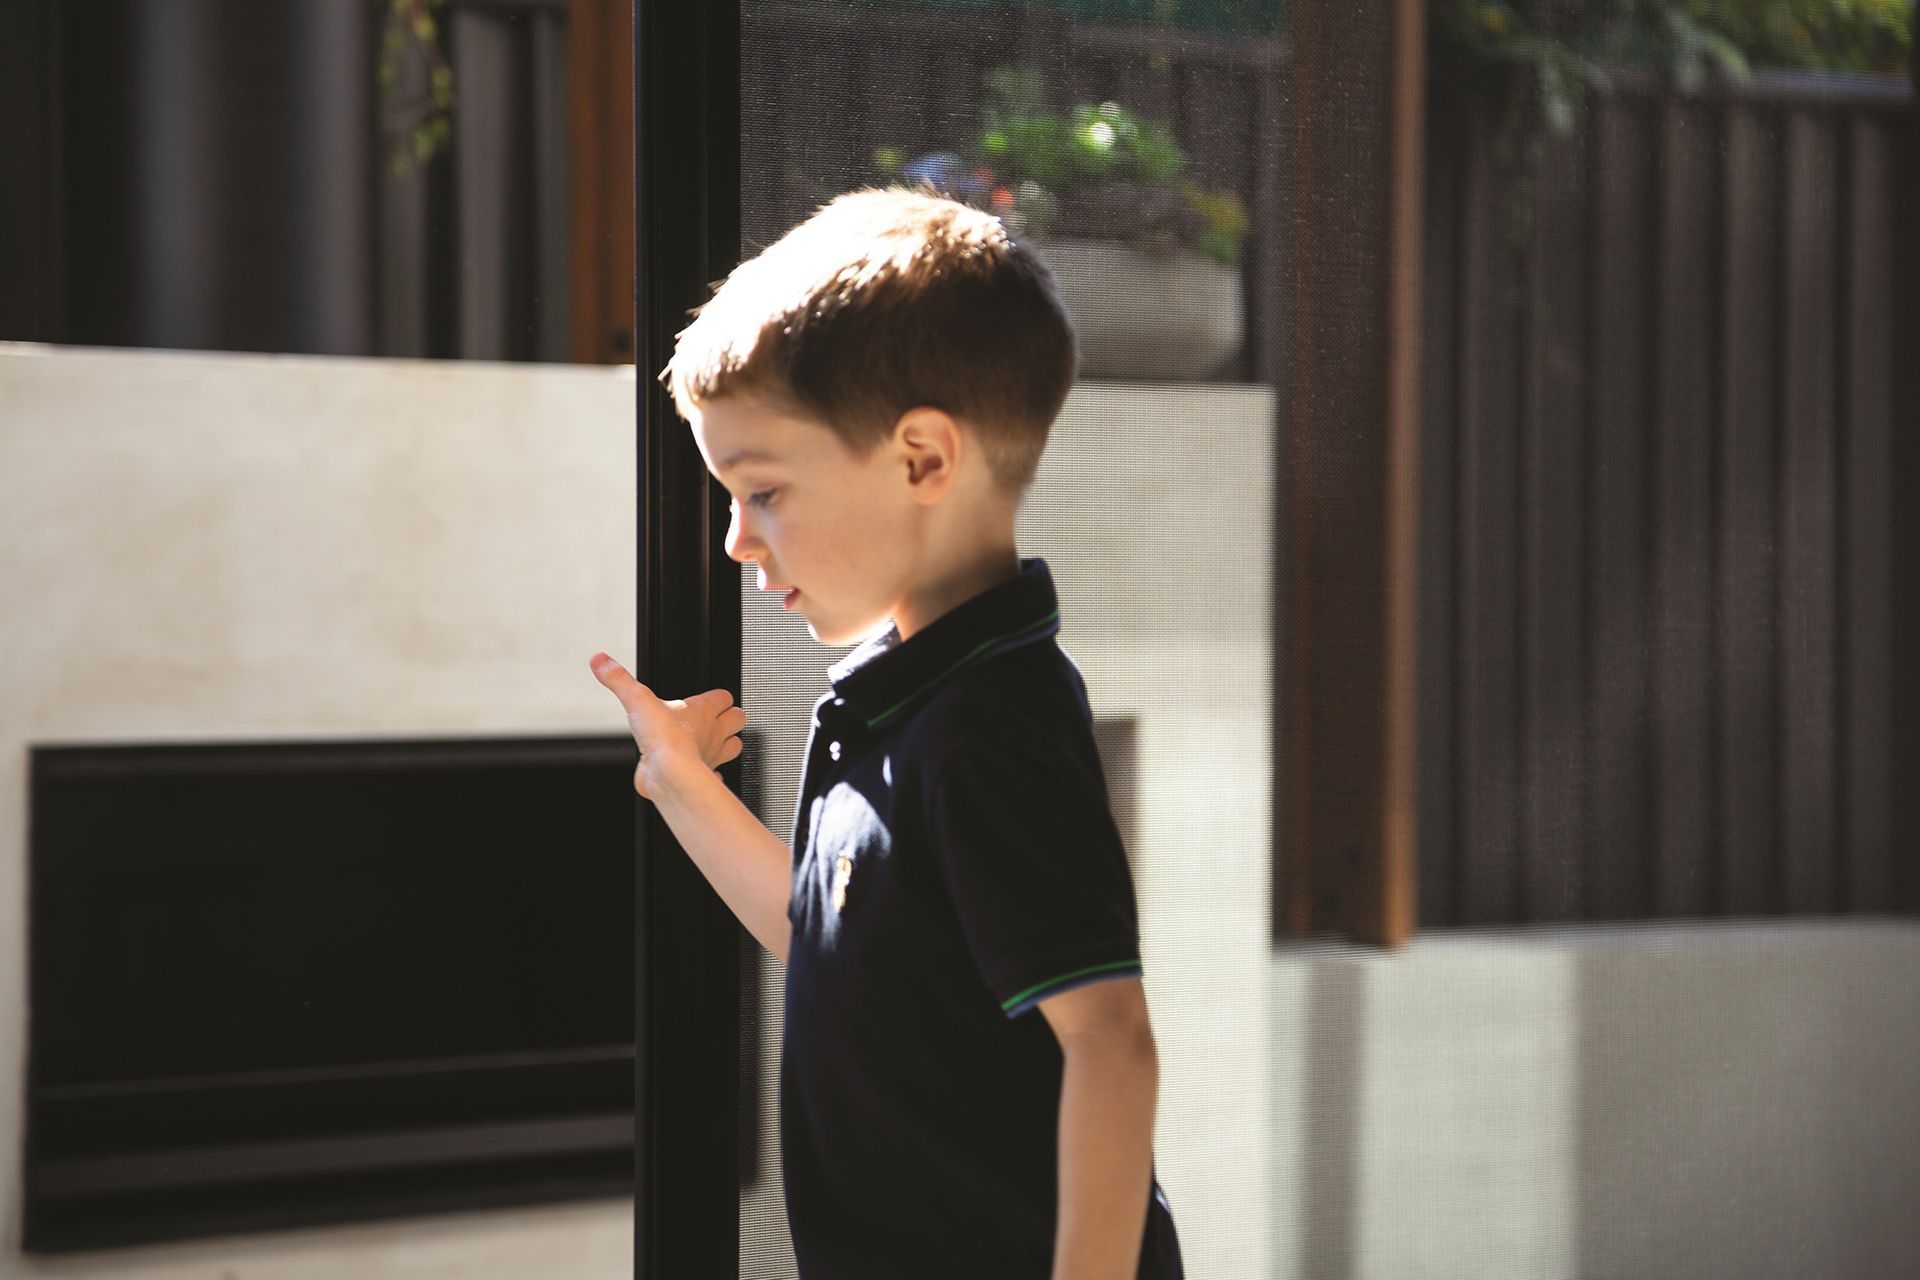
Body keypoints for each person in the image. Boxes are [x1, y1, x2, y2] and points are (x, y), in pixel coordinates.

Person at [588, 184, 1184, 1280]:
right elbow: (833, 944)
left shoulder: (989, 732)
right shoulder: (894, 701)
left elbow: (1111, 1040)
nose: (734, 540)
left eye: (761, 491)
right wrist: (681, 782)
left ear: (922, 460)